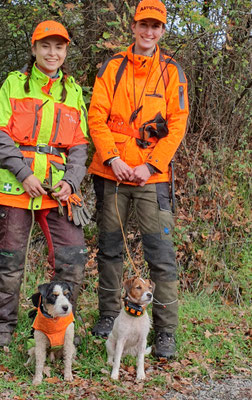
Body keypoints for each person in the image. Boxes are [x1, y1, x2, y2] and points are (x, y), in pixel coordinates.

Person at [88, 0, 189, 359]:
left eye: (156, 26)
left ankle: (165, 332)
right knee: (111, 250)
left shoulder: (173, 72)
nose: (149, 32)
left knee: (161, 255)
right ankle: (108, 316)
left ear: (162, 30)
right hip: (112, 174)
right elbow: (96, 116)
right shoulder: (112, 67)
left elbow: (177, 126)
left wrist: (151, 165)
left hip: (152, 179)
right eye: (143, 25)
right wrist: (112, 158)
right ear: (133, 27)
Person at [0, 20, 89, 348]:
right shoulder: (15, 84)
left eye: (59, 46)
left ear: (66, 50)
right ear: (34, 49)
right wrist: (23, 172)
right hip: (16, 186)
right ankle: (0, 328)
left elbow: (80, 146)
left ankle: (57, 324)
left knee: (73, 257)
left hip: (58, 190)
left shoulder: (72, 90)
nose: (52, 52)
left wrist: (71, 181)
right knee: (9, 260)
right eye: (45, 46)